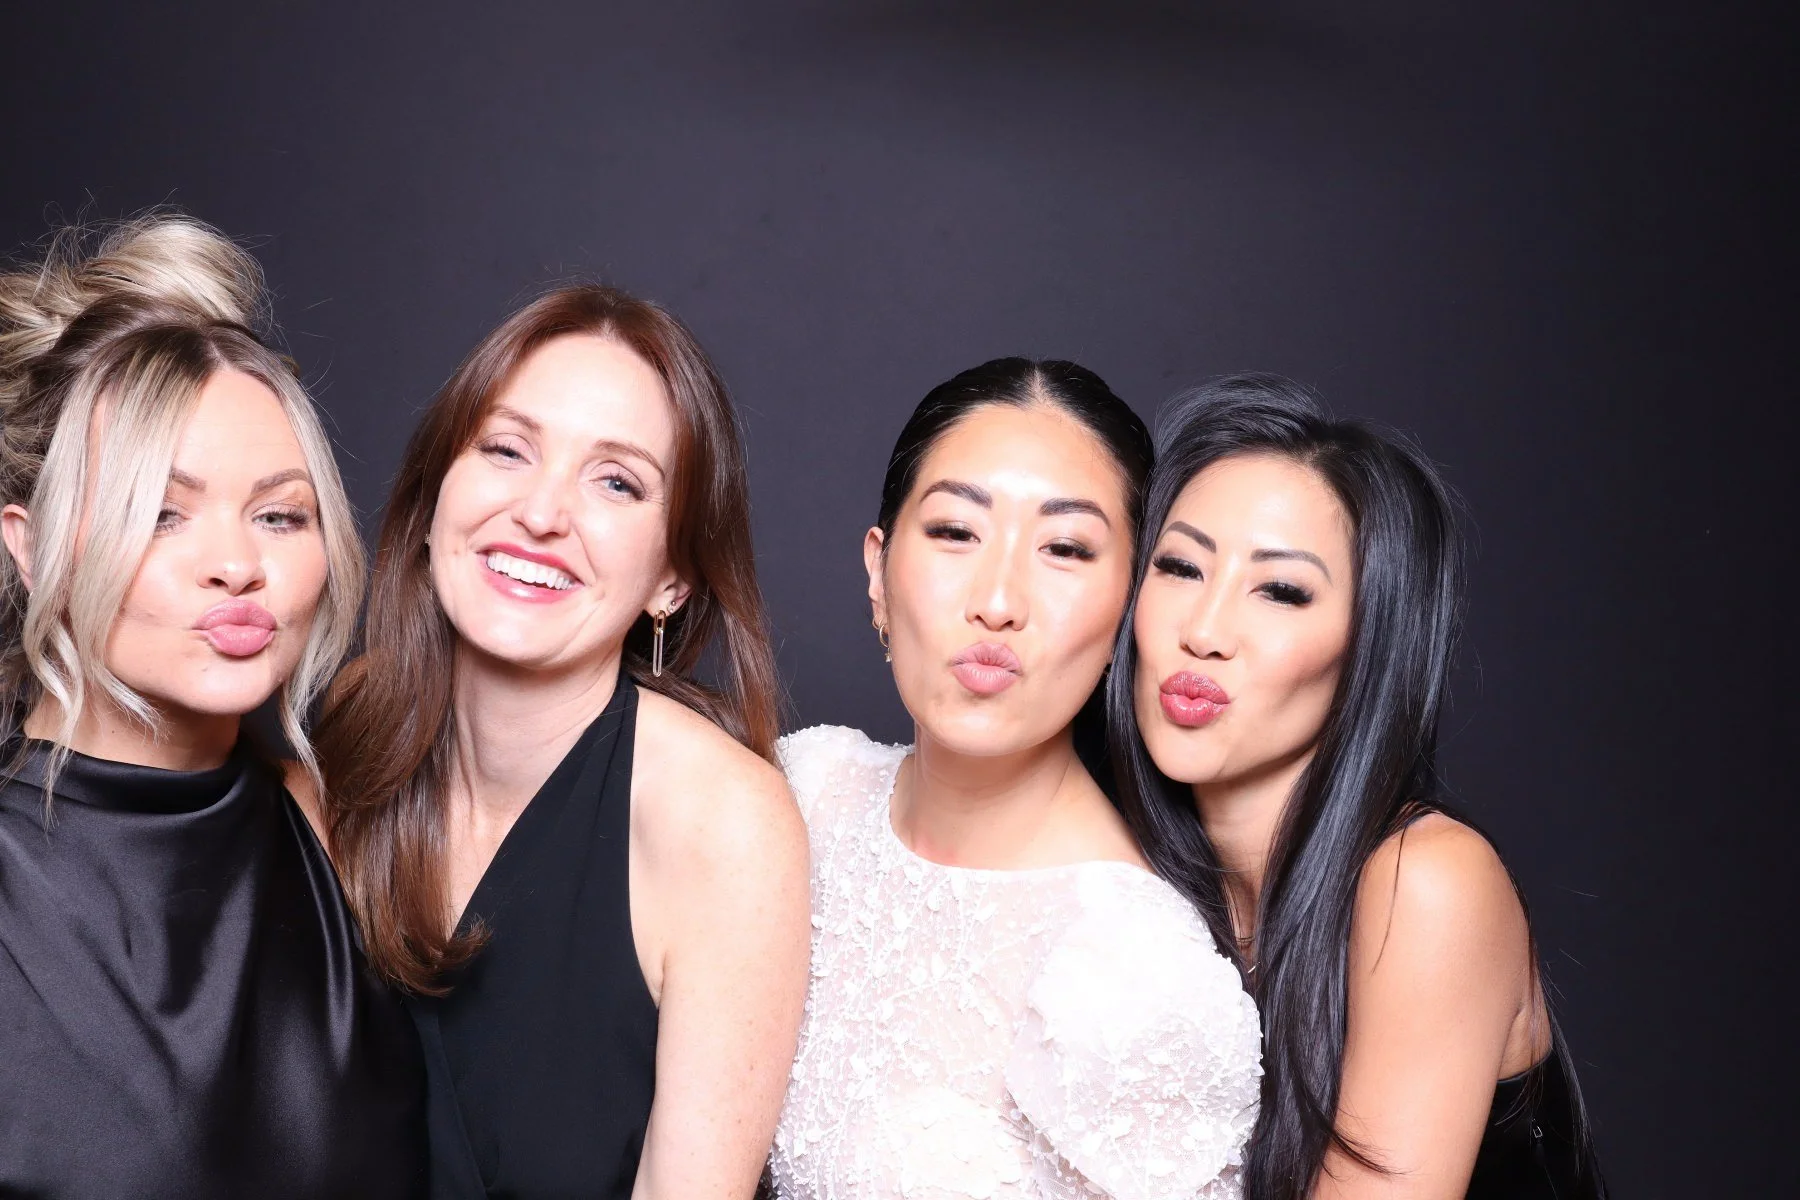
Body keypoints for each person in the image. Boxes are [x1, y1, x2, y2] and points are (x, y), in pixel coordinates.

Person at [314, 284, 810, 1198]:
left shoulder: (721, 820)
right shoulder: (343, 734)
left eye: (615, 481)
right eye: (507, 450)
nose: (542, 513)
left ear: (673, 578)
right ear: (434, 498)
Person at [0, 214, 424, 1198]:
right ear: (30, 545)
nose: (239, 566)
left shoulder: (334, 822)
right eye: (160, 512)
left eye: (280, 514)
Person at [769, 358, 1263, 1200]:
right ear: (877, 575)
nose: (998, 600)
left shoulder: (1137, 979)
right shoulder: (804, 795)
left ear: (1129, 614)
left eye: (1065, 548)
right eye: (956, 532)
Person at [1110, 374, 1605, 1199]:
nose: (1202, 631)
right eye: (1180, 566)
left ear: (1370, 644)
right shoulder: (1125, 876)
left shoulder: (1427, 882)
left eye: (1281, 590)